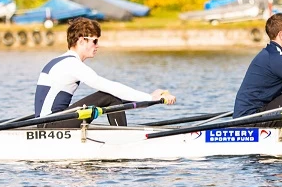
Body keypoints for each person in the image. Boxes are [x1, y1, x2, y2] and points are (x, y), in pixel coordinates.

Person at [34, 17, 176, 127]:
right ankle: (122, 141)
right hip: (51, 125)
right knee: (108, 95)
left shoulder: (59, 61)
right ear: (81, 41)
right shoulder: (72, 64)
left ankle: (120, 135)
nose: (98, 46)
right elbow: (110, 88)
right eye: (95, 41)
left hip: (47, 122)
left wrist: (148, 97)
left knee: (111, 98)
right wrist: (150, 99)